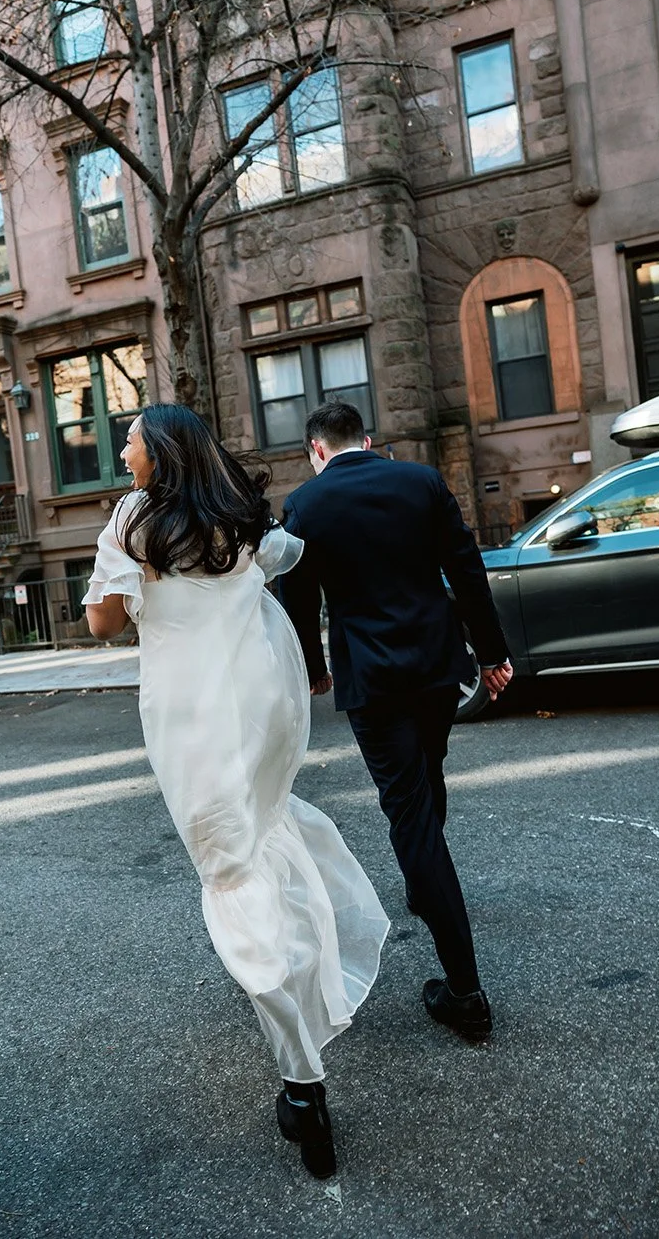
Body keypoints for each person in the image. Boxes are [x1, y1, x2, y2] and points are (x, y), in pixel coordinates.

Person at [82, 404, 390, 1179]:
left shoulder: (134, 519)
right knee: (262, 836)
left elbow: (100, 624)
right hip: (263, 705)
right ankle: (304, 963)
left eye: (130, 440)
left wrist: (126, 570)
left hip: (194, 719)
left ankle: (302, 1080)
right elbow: (290, 554)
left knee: (231, 871)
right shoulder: (240, 520)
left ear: (160, 451)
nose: (121, 451)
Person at [278, 402, 513, 1042]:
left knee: (410, 812)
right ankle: (425, 883)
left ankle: (465, 992)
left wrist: (313, 666)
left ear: (316, 451)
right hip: (439, 669)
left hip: (374, 680)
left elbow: (295, 597)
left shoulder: (306, 504)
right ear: (369, 441)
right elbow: (466, 571)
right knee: (426, 776)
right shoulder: (422, 481)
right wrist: (493, 654)